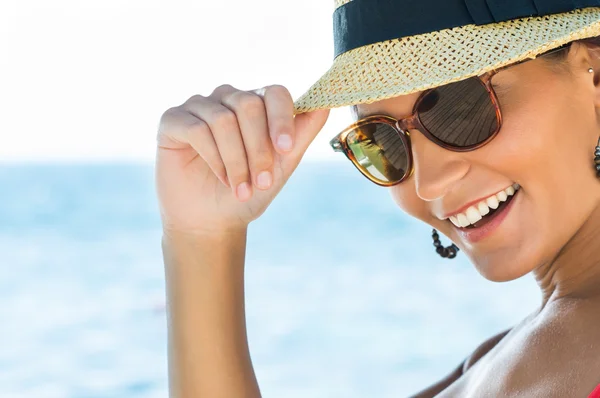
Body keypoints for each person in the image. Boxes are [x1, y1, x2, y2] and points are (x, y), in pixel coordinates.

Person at [155, 0, 600, 396]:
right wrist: (201, 235)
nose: (428, 183)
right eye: (380, 140)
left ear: (594, 76)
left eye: (461, 109)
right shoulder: (495, 361)